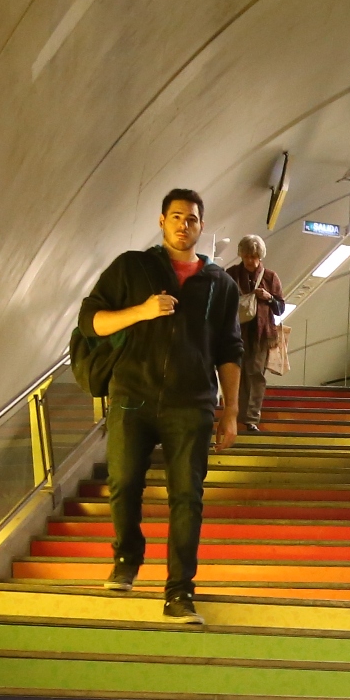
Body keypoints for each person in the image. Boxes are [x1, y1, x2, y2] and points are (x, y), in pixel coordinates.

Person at [78, 189, 242, 623]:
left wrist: (231, 412)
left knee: (187, 497)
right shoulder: (131, 267)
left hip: (192, 404)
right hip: (133, 395)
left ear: (201, 226)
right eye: (175, 217)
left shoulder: (221, 284)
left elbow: (230, 349)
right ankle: (127, 557)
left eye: (191, 218)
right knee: (124, 483)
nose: (183, 224)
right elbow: (90, 322)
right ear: (161, 221)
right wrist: (142, 311)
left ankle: (179, 592)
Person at [226, 233, 285, 431]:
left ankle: (251, 418)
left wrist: (268, 297)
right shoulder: (231, 274)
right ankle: (236, 414)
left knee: (256, 374)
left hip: (262, 334)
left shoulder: (270, 277)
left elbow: (280, 308)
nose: (250, 261)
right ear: (241, 255)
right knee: (236, 374)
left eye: (254, 256)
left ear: (260, 256)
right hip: (235, 333)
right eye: (247, 256)